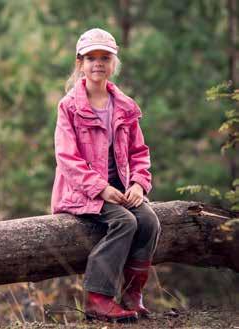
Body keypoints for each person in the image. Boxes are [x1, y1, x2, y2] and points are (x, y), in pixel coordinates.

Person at [51, 28, 161, 322]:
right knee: (125, 221)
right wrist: (100, 188)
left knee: (149, 220)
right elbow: (67, 158)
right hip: (82, 192)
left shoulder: (124, 107)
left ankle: (133, 293)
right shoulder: (69, 107)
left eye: (105, 57)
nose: (98, 63)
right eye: (91, 57)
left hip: (121, 189)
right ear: (80, 63)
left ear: (114, 63)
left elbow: (140, 152)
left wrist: (139, 183)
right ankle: (98, 298)